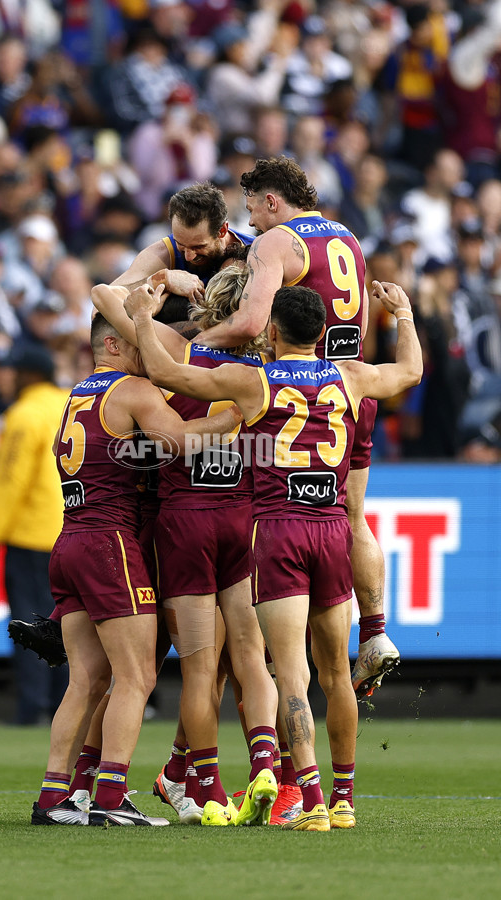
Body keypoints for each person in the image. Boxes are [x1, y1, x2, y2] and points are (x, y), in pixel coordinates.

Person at [126, 277, 422, 830]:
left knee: (291, 672)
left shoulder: (252, 381)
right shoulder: (350, 376)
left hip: (280, 530)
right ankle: (345, 800)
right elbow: (410, 372)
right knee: (337, 672)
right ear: (323, 332)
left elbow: (169, 374)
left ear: (272, 329)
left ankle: (310, 804)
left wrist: (143, 318)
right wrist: (403, 315)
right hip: (334, 528)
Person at [194, 155, 400, 697]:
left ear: (269, 199)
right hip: (351, 390)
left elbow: (251, 321)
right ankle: (375, 631)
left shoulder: (276, 242)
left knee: (265, 509)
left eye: (254, 212)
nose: (253, 225)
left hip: (297, 393)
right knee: (352, 515)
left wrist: (196, 344)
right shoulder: (347, 236)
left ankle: (261, 675)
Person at [30, 311, 243, 826]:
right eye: (140, 341)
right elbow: (181, 441)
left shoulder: (79, 393)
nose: (153, 353)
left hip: (70, 539)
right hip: (109, 544)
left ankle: (54, 797)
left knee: (86, 679)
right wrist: (234, 415)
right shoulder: (133, 391)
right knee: (137, 676)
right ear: (113, 343)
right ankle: (109, 798)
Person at [92, 265, 279, 828]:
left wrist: (162, 277)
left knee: (198, 669)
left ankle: (211, 789)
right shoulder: (268, 368)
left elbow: (105, 295)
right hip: (241, 521)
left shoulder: (175, 348)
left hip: (184, 522)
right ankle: (267, 759)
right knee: (249, 654)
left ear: (205, 307)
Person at [0, 343, 69, 726]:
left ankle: (30, 707)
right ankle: (62, 706)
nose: (9, 378)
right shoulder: (71, 402)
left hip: (32, 535)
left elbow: (12, 479)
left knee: (28, 624)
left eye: (15, 372)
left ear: (29, 375)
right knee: (66, 626)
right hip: (72, 530)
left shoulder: (23, 414)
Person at [111, 181, 254, 301]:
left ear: (222, 231)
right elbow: (103, 302)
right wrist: (162, 279)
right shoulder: (164, 252)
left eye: (198, 246)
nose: (188, 256)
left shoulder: (256, 251)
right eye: (181, 244)